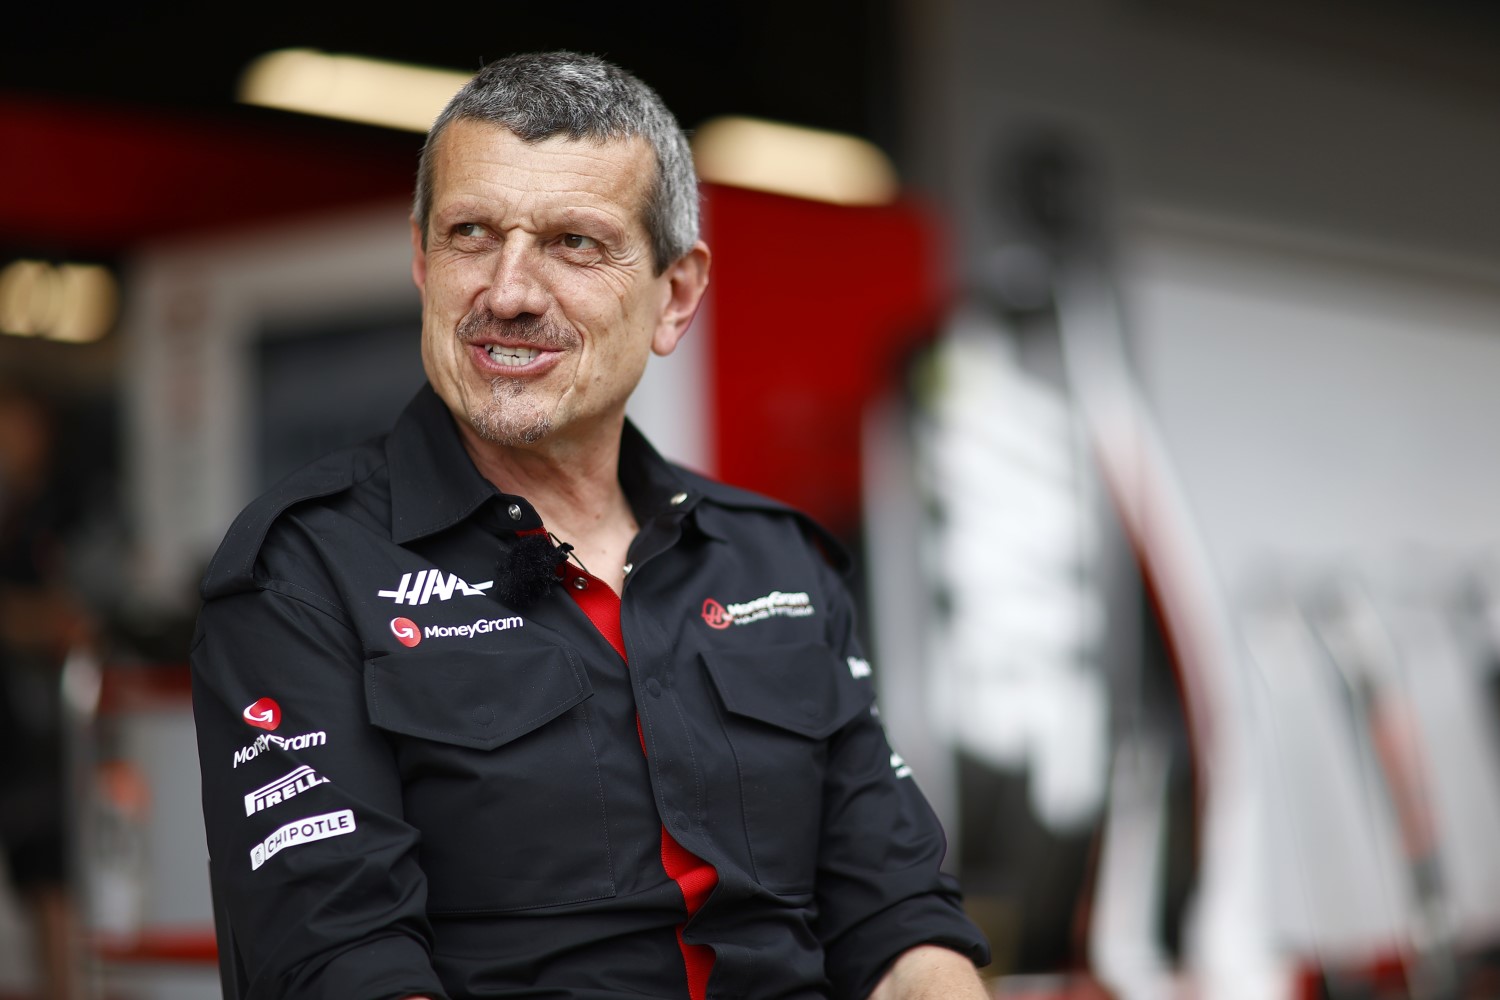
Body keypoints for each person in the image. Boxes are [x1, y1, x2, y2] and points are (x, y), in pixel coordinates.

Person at [190, 50, 991, 1000]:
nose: (511, 291)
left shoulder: (777, 559)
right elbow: (341, 964)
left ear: (677, 294)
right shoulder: (302, 575)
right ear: (421, 259)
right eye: (472, 234)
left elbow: (898, 920)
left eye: (574, 243)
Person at [0, 383, 88, 1000]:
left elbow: (85, 612)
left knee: (47, 870)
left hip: (35, 725)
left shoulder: (51, 512)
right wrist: (38, 621)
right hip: (15, 717)